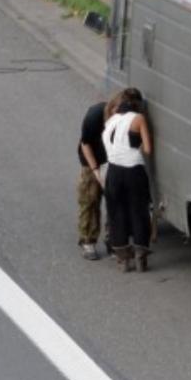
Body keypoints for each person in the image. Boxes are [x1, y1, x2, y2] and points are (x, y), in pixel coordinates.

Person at [101, 88, 153, 272]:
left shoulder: (110, 121)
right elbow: (147, 149)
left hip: (113, 172)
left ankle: (124, 260)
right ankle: (140, 256)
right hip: (133, 171)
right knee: (138, 211)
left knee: (117, 214)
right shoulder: (138, 119)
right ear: (138, 104)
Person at [76, 93, 121, 260]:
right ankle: (88, 241)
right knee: (90, 199)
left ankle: (114, 240)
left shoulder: (123, 119)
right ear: (111, 107)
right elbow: (85, 143)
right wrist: (95, 170)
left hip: (113, 161)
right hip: (92, 160)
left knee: (115, 201)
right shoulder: (95, 115)